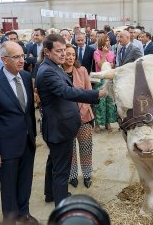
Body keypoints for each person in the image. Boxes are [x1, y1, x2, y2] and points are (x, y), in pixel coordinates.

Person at [36, 34, 105, 206]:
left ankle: (50, 194)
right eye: (58, 51)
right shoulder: (47, 72)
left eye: (63, 51)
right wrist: (97, 93)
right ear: (47, 51)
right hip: (59, 128)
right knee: (61, 170)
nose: (63, 54)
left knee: (54, 162)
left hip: (60, 126)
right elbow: (68, 92)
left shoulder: (54, 67)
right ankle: (62, 204)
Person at [0, 42, 38, 224]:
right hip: (5, 148)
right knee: (9, 188)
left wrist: (33, 136)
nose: (22, 60)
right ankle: (11, 219)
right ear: (4, 60)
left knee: (25, 183)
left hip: (27, 142)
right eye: (16, 57)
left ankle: (24, 214)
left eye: (22, 56)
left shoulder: (27, 78)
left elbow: (27, 112)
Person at [62, 44, 95, 189]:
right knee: (70, 151)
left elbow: (89, 92)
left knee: (86, 148)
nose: (70, 57)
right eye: (67, 54)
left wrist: (82, 111)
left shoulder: (82, 71)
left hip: (84, 117)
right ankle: (72, 175)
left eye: (73, 54)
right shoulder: (57, 73)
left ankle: (87, 175)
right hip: (66, 120)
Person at [93, 34, 116, 132]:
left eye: (109, 40)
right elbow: (101, 65)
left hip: (109, 78)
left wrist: (109, 63)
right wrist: (104, 55)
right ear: (102, 42)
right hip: (99, 79)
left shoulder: (112, 52)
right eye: (106, 40)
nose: (108, 42)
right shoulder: (96, 52)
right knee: (99, 102)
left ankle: (108, 122)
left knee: (109, 102)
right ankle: (98, 123)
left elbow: (112, 65)